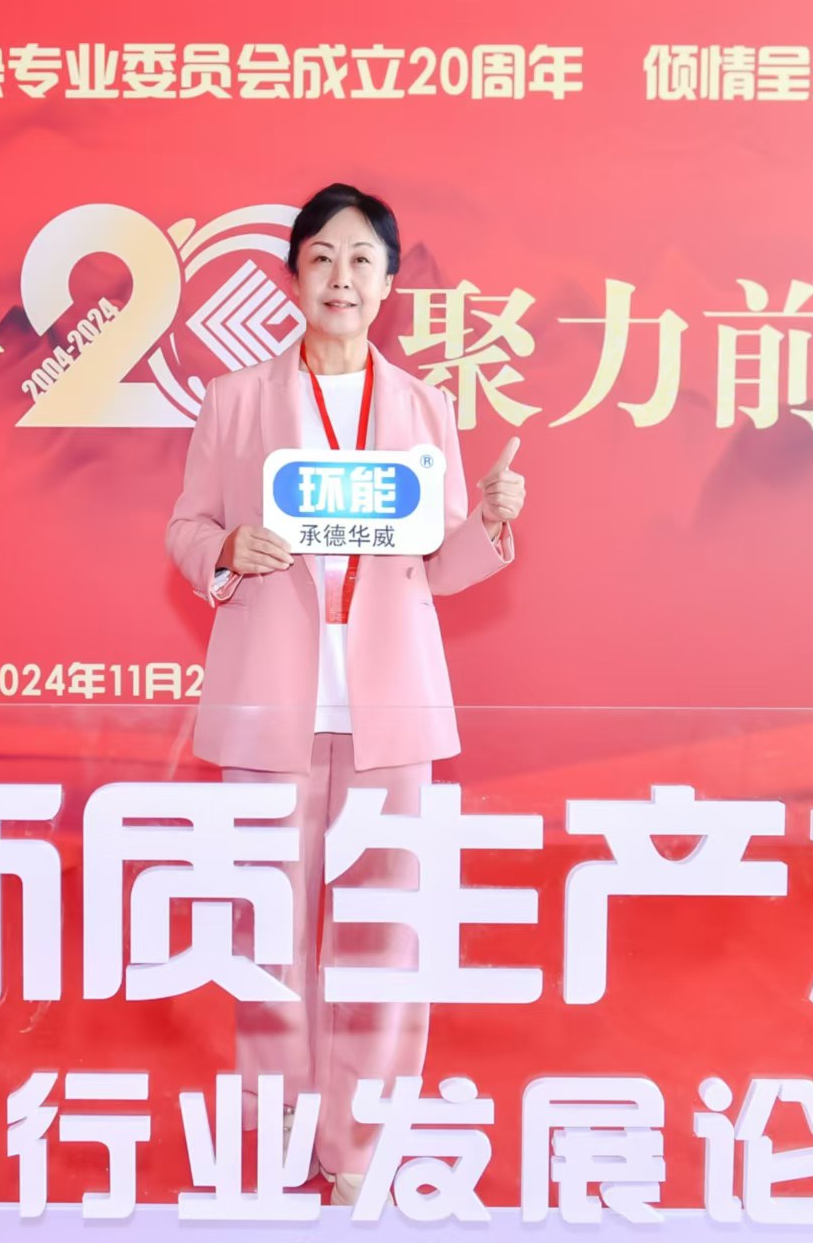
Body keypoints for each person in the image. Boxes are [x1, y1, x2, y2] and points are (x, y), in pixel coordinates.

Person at [165, 182, 525, 1203]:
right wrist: (227, 547)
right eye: (322, 256)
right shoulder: (237, 400)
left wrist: (490, 521)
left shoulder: (422, 407)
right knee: (266, 933)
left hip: (389, 707)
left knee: (382, 935)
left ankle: (360, 1148)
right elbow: (186, 526)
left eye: (362, 259)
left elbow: (438, 565)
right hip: (268, 701)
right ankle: (280, 1138)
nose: (341, 277)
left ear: (389, 283)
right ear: (293, 274)